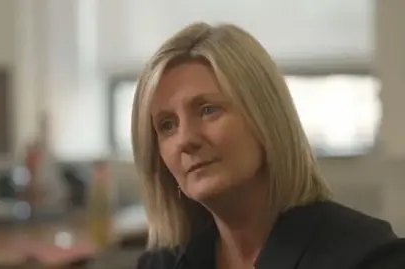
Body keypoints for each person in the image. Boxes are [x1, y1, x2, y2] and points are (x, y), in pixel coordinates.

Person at [130, 22, 397, 269]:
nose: (186, 139)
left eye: (208, 110)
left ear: (266, 118)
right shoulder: (160, 265)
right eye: (167, 125)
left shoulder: (368, 256)